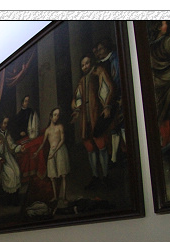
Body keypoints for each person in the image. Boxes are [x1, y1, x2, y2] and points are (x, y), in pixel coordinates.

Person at [70, 54, 115, 189]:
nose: (85, 67)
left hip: (96, 114)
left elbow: (106, 88)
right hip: (86, 118)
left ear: (92, 63)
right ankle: (95, 176)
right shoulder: (82, 80)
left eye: (87, 63)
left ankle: (105, 176)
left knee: (101, 144)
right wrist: (76, 110)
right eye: (82, 65)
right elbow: (77, 98)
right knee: (89, 147)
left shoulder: (98, 72)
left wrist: (106, 106)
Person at [33, 107, 70, 204]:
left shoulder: (60, 127)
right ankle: (55, 197)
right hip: (51, 152)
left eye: (58, 115)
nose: (56, 117)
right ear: (50, 117)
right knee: (52, 177)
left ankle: (64, 197)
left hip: (60, 151)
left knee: (63, 175)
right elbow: (43, 143)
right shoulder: (47, 130)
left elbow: (62, 140)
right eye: (54, 115)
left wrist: (54, 152)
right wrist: (37, 152)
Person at [0, 117, 23, 205]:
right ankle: (10, 199)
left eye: (7, 123)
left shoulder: (7, 134)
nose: (6, 125)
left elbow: (12, 146)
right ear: (1, 124)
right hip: (1, 160)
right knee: (11, 174)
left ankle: (15, 197)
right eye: (4, 123)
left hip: (9, 157)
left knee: (17, 171)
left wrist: (19, 148)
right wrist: (0, 146)